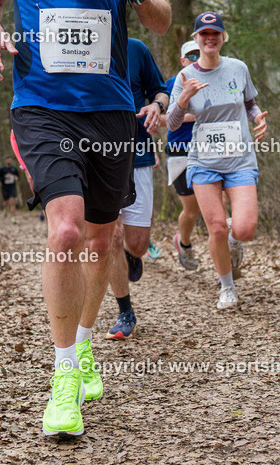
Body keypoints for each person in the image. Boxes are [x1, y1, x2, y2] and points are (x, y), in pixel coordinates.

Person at [0, 0, 170, 436]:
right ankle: (63, 378)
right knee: (64, 227)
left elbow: (162, 21)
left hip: (110, 110)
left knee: (101, 240)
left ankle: (85, 343)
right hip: (41, 105)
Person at [167, 12, 267, 310]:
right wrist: (183, 98)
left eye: (215, 33)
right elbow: (172, 123)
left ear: (223, 38)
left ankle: (236, 243)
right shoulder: (184, 77)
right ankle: (227, 288)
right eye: (204, 34)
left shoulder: (238, 68)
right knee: (216, 228)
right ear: (196, 39)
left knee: (245, 229)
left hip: (240, 159)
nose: (210, 38)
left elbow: (249, 104)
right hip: (203, 161)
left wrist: (257, 117)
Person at [106, 37, 169, 340]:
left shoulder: (136, 48)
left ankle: (135, 254)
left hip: (139, 153)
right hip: (100, 156)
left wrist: (157, 106)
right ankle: (124, 311)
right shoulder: (80, 44)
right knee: (111, 235)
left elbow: (162, 90)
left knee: (137, 243)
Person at [165, 40, 202, 271]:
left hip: (208, 148)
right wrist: (196, 115)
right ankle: (184, 242)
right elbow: (162, 120)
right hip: (180, 151)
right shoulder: (171, 84)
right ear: (182, 61)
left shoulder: (212, 81)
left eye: (199, 55)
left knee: (221, 202)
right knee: (192, 210)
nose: (196, 60)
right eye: (191, 56)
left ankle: (226, 254)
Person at [0, 156, 20, 221]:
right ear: (5, 161)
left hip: (12, 187)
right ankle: (5, 209)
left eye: (10, 160)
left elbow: (18, 177)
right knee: (6, 202)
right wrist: (4, 177)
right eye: (7, 160)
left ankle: (13, 217)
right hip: (5, 188)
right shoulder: (2, 169)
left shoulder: (14, 169)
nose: (9, 161)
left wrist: (16, 178)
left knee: (12, 202)